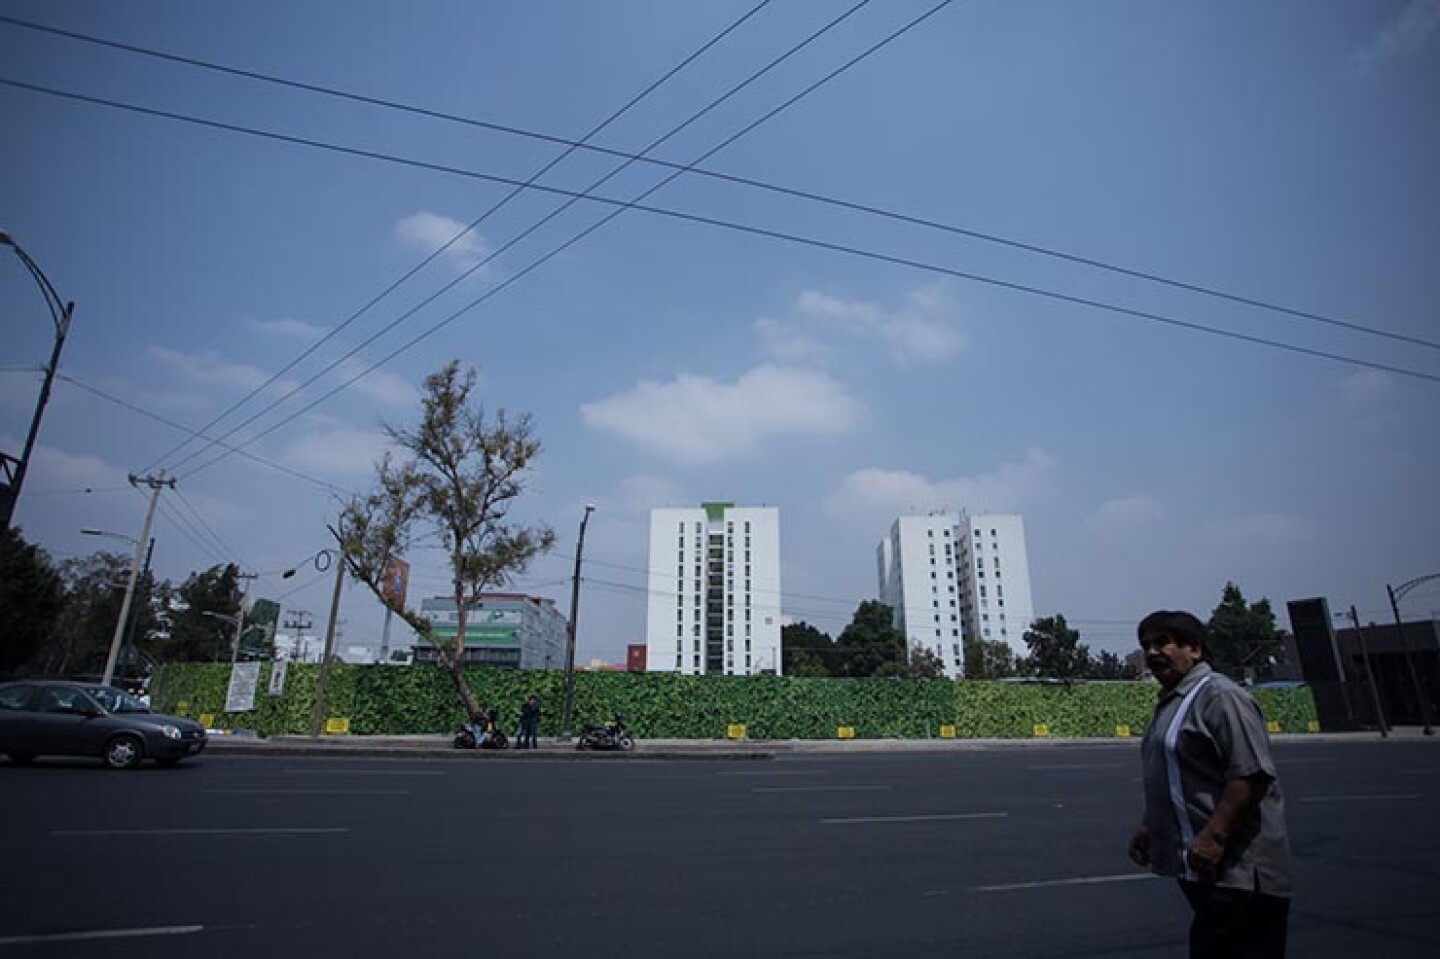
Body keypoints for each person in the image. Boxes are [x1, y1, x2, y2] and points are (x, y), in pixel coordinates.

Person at [1128, 609, 1292, 958]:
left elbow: (1251, 775)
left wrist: (1214, 836)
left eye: (1163, 643)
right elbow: (1179, 772)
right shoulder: (1176, 699)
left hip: (1240, 876)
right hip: (1206, 872)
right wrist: (1150, 826)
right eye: (1147, 645)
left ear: (1195, 649)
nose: (1152, 652)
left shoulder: (1220, 696)